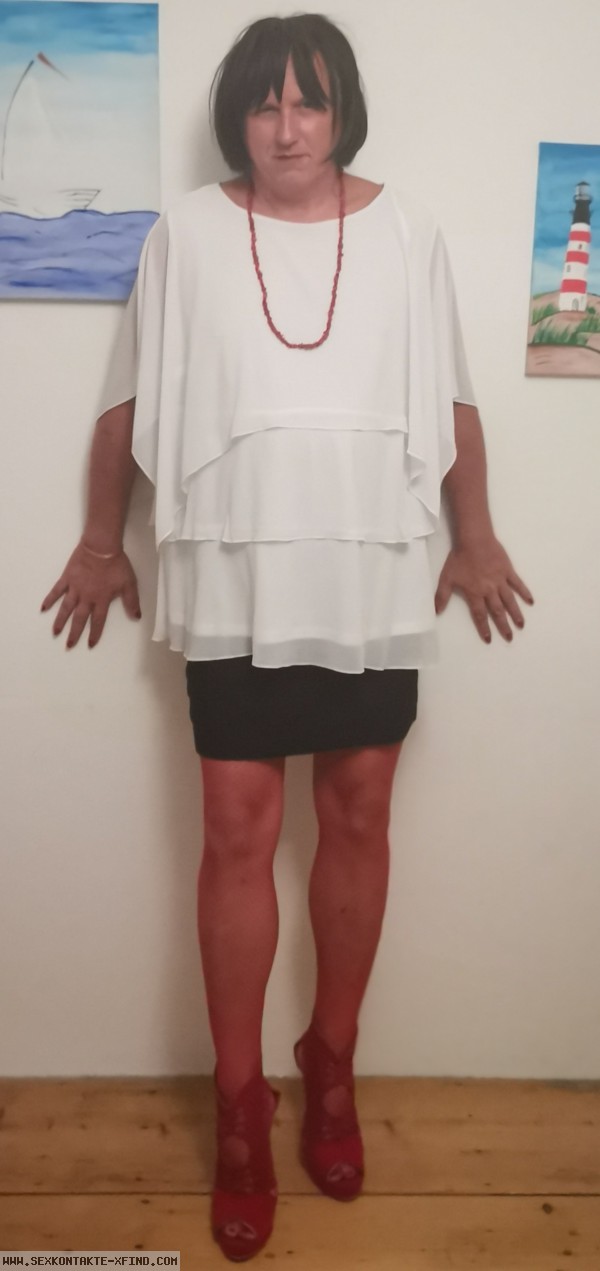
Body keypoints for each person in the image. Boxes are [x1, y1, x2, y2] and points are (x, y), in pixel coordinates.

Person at [41, 13, 533, 1263]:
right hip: (236, 569)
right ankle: (239, 1102)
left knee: (359, 814)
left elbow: (453, 396)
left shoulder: (409, 231)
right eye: (265, 104)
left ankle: (333, 1061)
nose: (287, 126)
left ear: (342, 111)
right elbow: (129, 398)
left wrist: (476, 537)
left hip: (369, 566)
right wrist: (101, 540)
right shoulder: (186, 235)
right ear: (239, 118)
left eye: (309, 102)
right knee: (236, 831)